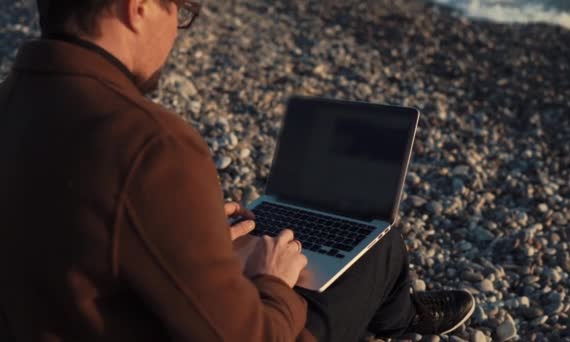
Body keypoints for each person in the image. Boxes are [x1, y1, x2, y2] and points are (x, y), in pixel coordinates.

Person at [0, 0, 476, 341]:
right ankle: (399, 319)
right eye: (182, 11)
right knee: (381, 247)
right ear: (138, 7)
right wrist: (271, 281)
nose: (176, 32)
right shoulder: (149, 142)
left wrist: (187, 239)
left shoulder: (12, 101)